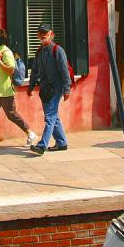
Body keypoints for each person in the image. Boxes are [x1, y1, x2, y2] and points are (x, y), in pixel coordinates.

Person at [0, 29, 39, 149]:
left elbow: (11, 70)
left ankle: (30, 133)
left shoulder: (6, 52)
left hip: (5, 90)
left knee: (11, 114)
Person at [27, 22, 72, 155]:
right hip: (44, 89)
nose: (42, 35)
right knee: (53, 116)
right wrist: (31, 86)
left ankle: (42, 145)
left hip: (56, 88)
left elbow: (64, 71)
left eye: (45, 33)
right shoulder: (39, 52)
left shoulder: (57, 50)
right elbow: (35, 70)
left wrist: (67, 89)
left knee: (50, 117)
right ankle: (61, 142)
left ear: (51, 34)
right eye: (40, 33)